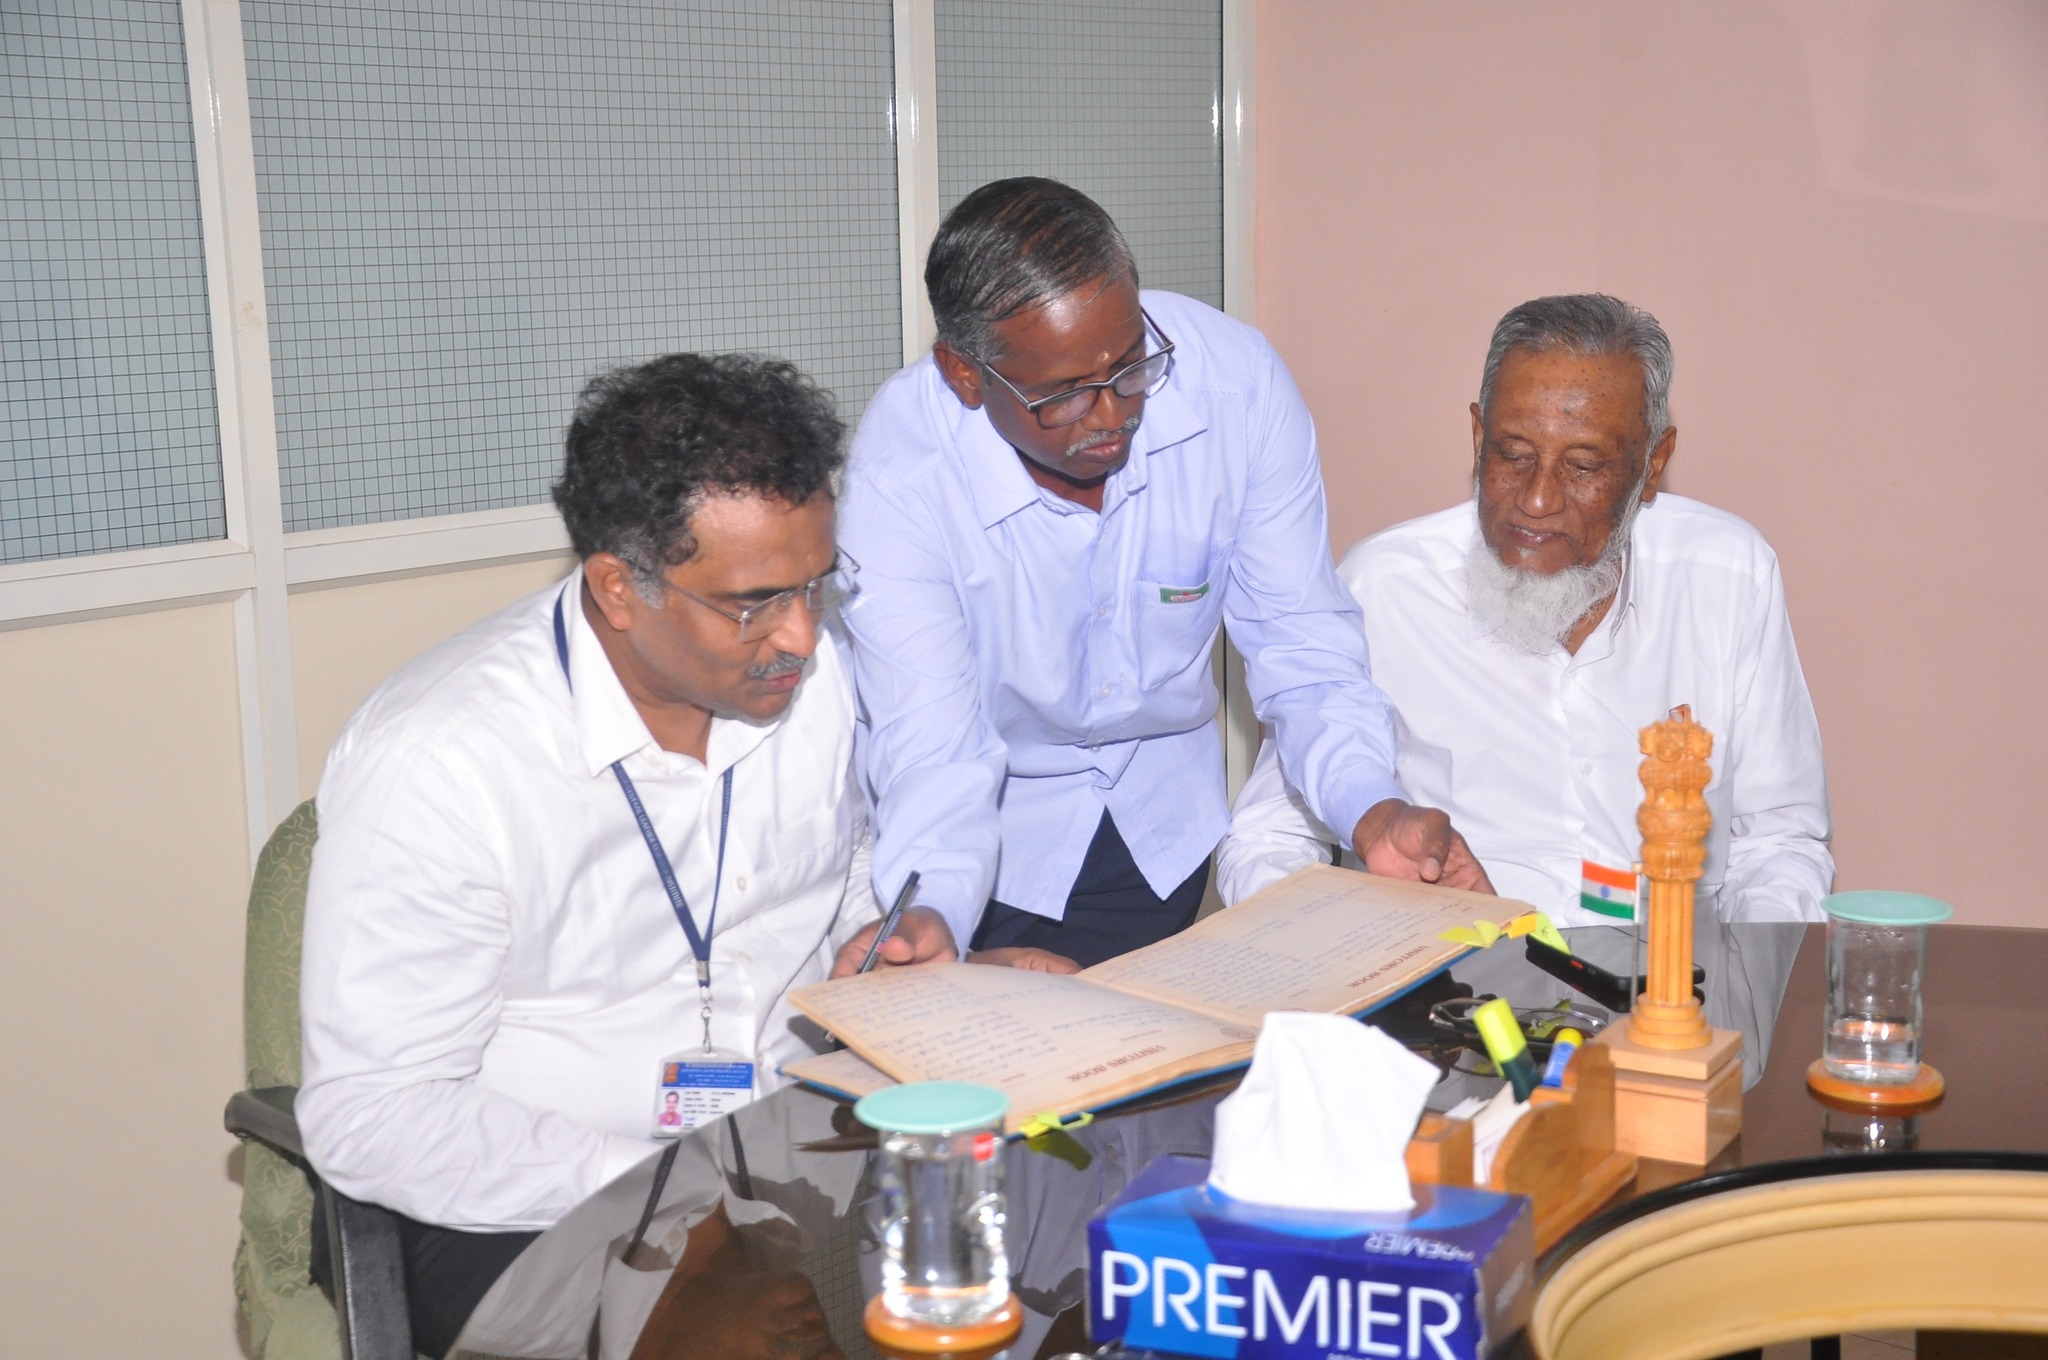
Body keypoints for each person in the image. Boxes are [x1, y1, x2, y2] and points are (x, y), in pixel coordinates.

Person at [296, 352, 956, 1357]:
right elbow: (373, 1115)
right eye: (755, 601)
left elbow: (843, 867)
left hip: (781, 1149)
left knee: (1037, 1257)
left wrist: (880, 935)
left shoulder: (807, 682)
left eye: (819, 585)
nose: (801, 634)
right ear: (617, 588)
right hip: (521, 1206)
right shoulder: (441, 760)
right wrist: (675, 1196)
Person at [835, 177, 1489, 973]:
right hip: (990, 844)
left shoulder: (1233, 388)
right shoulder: (901, 477)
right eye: (1065, 395)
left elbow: (1302, 645)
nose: (1113, 416)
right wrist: (934, 910)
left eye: (1129, 366)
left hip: (1163, 833)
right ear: (965, 375)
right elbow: (930, 741)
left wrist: (1370, 809)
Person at [1218, 294, 1834, 928]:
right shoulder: (1384, 588)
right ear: (1478, 438)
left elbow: (1778, 843)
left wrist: (1747, 976)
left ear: (1653, 465)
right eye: (1512, 455)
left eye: (1583, 467)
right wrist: (1350, 951)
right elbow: (1269, 840)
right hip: (1454, 969)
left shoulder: (1727, 576)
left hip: (1670, 969)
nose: (1537, 500)